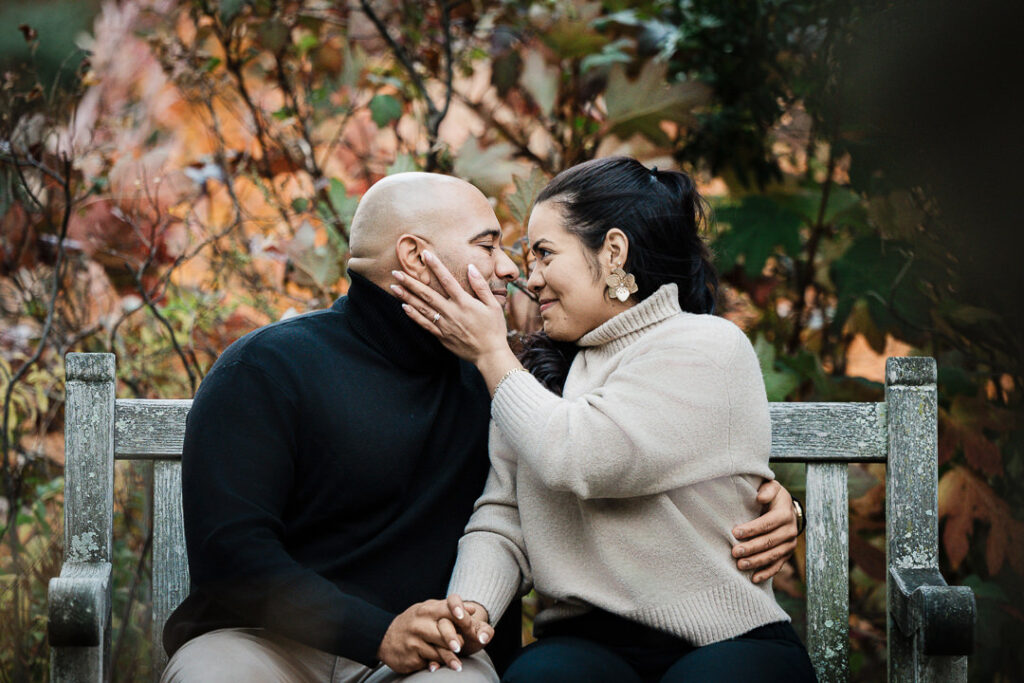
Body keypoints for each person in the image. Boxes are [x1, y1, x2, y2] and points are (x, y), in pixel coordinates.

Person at [160, 171, 800, 682]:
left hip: (430, 659)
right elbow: (234, 556)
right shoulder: (271, 366)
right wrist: (424, 625)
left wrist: (781, 503)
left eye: (532, 252)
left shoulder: (506, 377)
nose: (514, 273)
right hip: (272, 645)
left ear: (612, 254)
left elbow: (600, 447)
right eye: (492, 247)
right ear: (412, 255)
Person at [390, 157, 817, 682]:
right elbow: (503, 518)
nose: (532, 278)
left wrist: (491, 355)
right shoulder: (535, 376)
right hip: (584, 644)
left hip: (726, 640)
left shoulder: (706, 346)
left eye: (545, 254)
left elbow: (586, 456)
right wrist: (470, 605)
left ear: (613, 252)